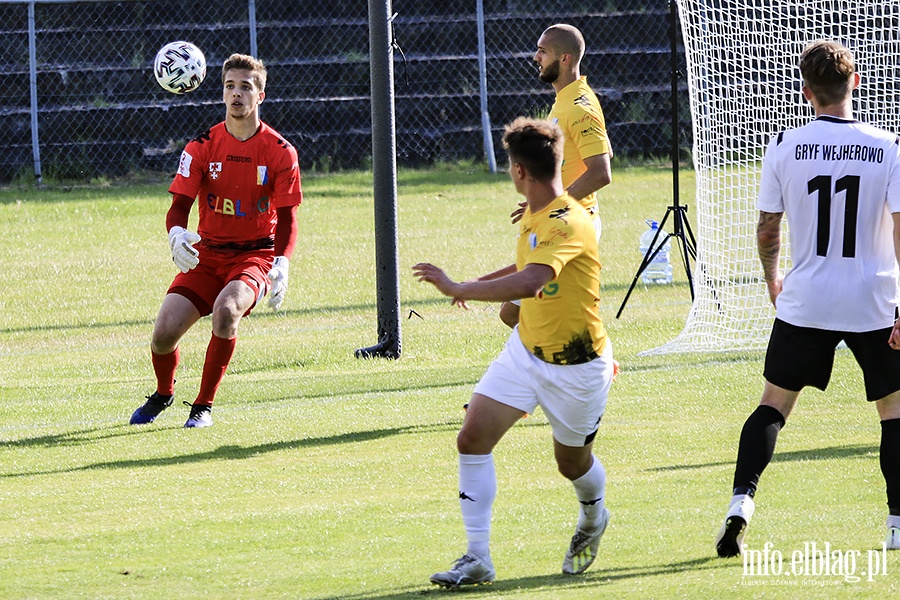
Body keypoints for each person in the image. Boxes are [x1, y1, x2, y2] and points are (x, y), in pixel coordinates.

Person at [715, 39, 900, 557]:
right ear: (856, 82)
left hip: (807, 297)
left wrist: (773, 278)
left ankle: (739, 506)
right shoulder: (886, 146)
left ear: (804, 90)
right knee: (894, 411)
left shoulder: (784, 145)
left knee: (773, 405)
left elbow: (768, 227)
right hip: (874, 300)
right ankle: (896, 525)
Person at [413, 116, 615, 587]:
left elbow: (532, 279)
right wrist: (478, 285)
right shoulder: (534, 211)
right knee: (472, 439)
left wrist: (458, 285)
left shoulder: (569, 221)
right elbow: (526, 263)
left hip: (577, 368)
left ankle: (594, 516)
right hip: (525, 354)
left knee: (572, 464)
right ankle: (477, 556)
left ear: (519, 171)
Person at [129, 53, 303, 429]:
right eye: (229, 87)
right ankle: (163, 393)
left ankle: (202, 406)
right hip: (206, 256)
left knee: (226, 312)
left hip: (254, 256)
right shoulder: (201, 146)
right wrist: (176, 235)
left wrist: (281, 262)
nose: (236, 94)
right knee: (162, 336)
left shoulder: (280, 152)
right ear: (221, 93)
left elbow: (288, 219)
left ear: (261, 95)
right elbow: (178, 208)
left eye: (245, 87)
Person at [499, 23, 612, 329]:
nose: (535, 57)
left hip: (574, 223)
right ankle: (576, 363)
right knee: (530, 312)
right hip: (565, 219)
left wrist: (555, 204)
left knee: (515, 313)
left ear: (564, 59)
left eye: (542, 51)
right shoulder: (565, 100)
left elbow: (601, 171)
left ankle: (585, 363)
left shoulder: (579, 105)